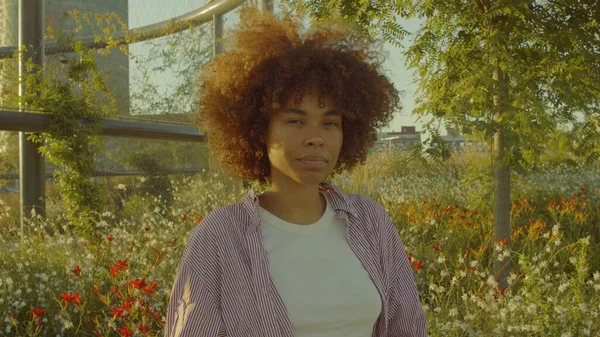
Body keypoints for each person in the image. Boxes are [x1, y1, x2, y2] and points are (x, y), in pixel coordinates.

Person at [164, 7, 427, 337]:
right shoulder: (220, 237)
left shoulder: (371, 222)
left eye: (330, 123)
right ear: (258, 129)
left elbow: (409, 327)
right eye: (295, 120)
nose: (316, 137)